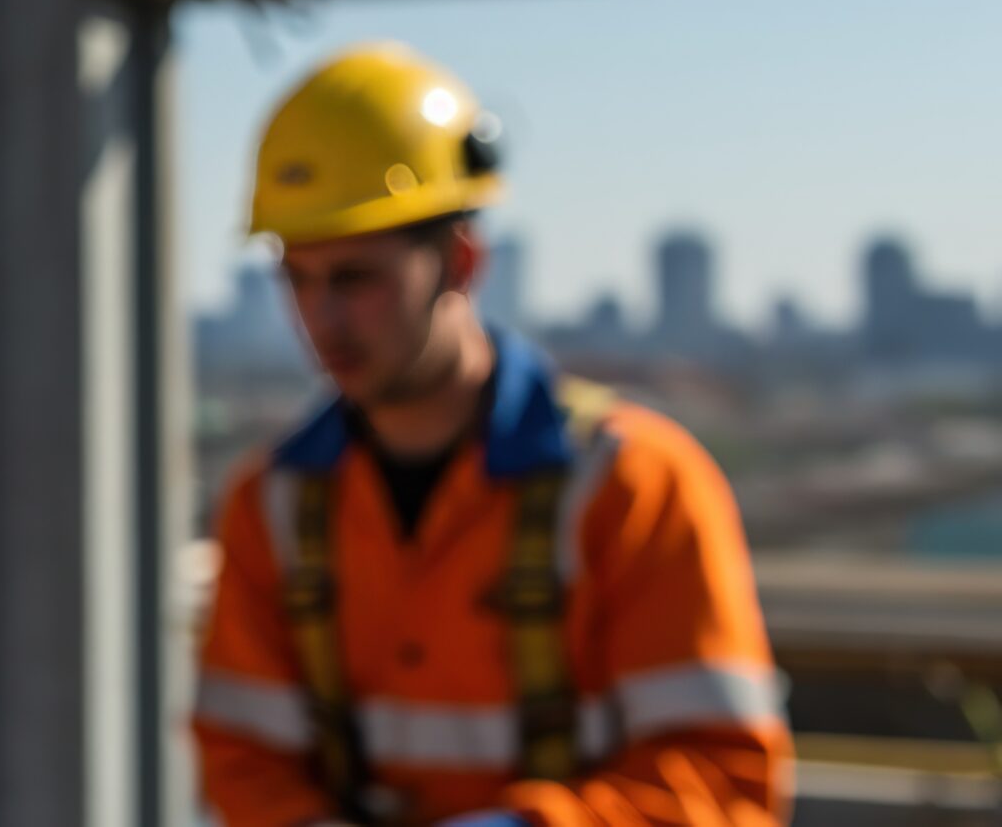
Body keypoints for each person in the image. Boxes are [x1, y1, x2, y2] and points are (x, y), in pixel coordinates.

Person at [193, 44, 788, 827]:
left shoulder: (633, 482)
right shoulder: (271, 506)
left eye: (355, 277)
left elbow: (720, 780)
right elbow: (242, 762)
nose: (322, 318)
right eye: (297, 278)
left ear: (460, 260)